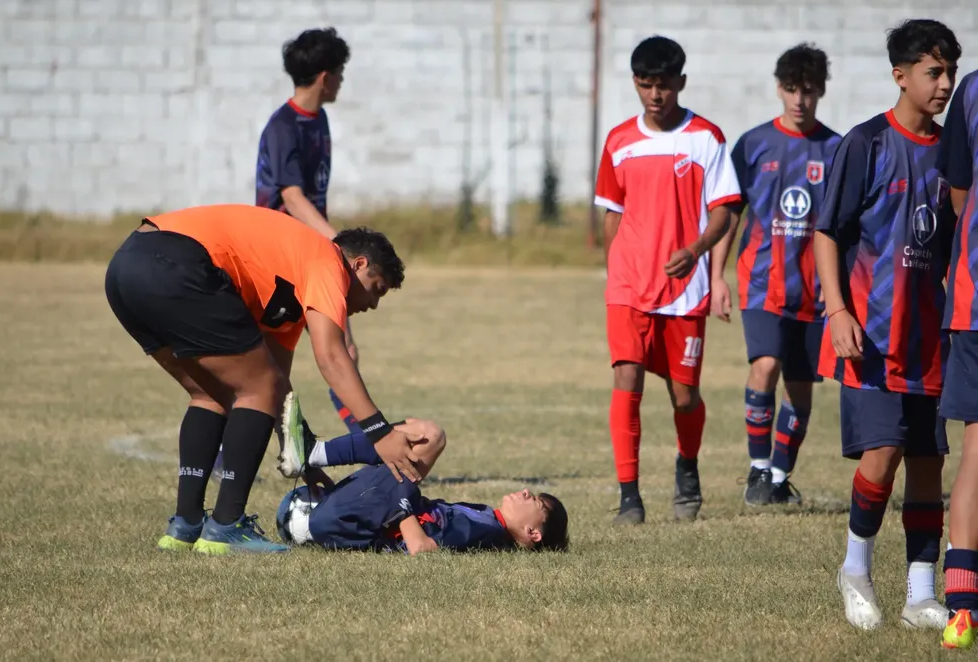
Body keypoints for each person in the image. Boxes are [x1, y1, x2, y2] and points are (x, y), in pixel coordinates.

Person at [104, 204, 418, 555]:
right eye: (376, 289)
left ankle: (185, 524)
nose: (373, 304)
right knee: (257, 388)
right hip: (176, 261)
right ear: (358, 264)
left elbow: (277, 383)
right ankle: (226, 525)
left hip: (125, 267)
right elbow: (331, 357)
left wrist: (301, 454)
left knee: (210, 393)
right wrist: (380, 433)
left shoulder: (293, 282)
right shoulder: (328, 261)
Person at [813, 19, 959, 631]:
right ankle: (855, 570)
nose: (945, 84)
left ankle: (920, 595)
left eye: (951, 72)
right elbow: (827, 232)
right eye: (933, 72)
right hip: (870, 336)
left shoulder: (955, 152)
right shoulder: (866, 143)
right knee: (883, 453)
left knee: (927, 461)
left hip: (931, 339)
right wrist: (838, 310)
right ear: (900, 75)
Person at [595, 35, 741, 525]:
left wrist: (697, 252)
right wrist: (615, 272)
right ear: (635, 83)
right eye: (645, 85)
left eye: (663, 85)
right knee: (626, 378)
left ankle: (687, 466)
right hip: (629, 286)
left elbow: (724, 212)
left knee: (684, 396)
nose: (654, 95)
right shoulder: (619, 140)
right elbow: (612, 213)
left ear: (680, 82)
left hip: (685, 289)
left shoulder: (706, 137)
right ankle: (629, 498)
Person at [711, 44, 841, 507]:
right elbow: (729, 213)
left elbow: (845, 226)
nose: (799, 100)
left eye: (808, 91)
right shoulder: (753, 144)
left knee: (800, 386)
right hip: (762, 283)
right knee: (765, 365)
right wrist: (717, 276)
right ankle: (758, 467)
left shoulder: (837, 149)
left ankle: (780, 477)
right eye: (790, 89)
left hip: (815, 292)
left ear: (820, 91)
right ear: (778, 89)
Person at [253, 27, 359, 440]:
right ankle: (234, 455)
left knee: (345, 350)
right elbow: (293, 198)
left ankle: (369, 442)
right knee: (269, 367)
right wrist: (338, 240)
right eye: (341, 72)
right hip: (279, 260)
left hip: (314, 254)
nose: (343, 80)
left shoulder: (320, 119)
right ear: (325, 77)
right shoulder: (283, 126)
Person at [278, 418, 570, 554]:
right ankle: (314, 455)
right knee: (422, 434)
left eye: (535, 501)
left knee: (430, 436)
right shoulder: (487, 519)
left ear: (533, 533)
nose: (526, 492)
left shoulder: (487, 532)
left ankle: (315, 453)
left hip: (345, 521)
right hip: (344, 518)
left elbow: (422, 547)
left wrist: (400, 501)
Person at [937, 65, 978, 649]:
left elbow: (959, 195)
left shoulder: (970, 89)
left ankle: (962, 610)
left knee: (975, 451)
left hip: (972, 297)